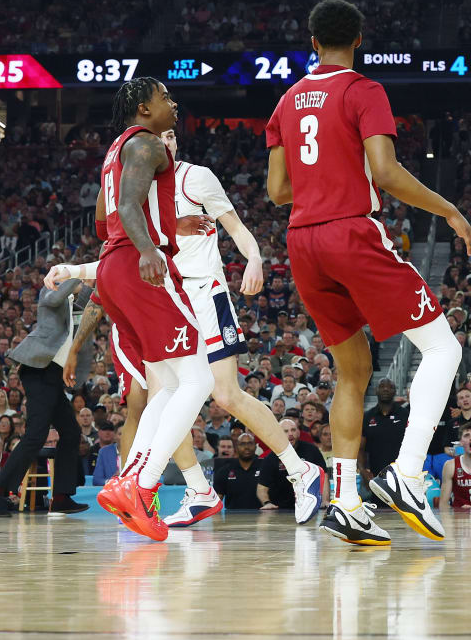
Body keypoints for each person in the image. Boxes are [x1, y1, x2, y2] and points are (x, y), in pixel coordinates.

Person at [265, 0, 471, 546]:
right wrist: (448, 209)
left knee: (352, 370)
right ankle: (407, 475)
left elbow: (277, 191)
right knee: (443, 349)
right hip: (349, 231)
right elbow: (384, 171)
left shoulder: (286, 102)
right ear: (359, 40)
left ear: (312, 42)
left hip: (302, 241)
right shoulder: (363, 90)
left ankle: (346, 502)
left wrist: (323, 176)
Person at [56, 126, 326, 528]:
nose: (161, 141)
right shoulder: (136, 193)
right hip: (163, 298)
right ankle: (199, 489)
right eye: (154, 135)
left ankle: (300, 470)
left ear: (174, 141)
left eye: (168, 134)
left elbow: (235, 227)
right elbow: (122, 255)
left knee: (226, 395)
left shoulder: (195, 176)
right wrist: (77, 269)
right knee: (166, 399)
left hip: (203, 292)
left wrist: (254, 259)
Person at [77, 79, 224, 541]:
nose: (174, 104)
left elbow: (101, 218)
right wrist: (147, 247)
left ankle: (129, 479)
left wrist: (150, 229)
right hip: (138, 265)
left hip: (112, 267)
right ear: (144, 108)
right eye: (166, 97)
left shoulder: (115, 151)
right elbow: (125, 204)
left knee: (172, 382)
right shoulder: (147, 144)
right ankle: (142, 485)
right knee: (199, 378)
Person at [0, 265, 97, 516]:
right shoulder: (51, 294)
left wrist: (87, 284)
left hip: (54, 373)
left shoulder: (76, 305)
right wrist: (73, 276)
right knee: (36, 433)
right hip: (37, 369)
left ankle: (61, 497)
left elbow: (90, 304)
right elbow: (57, 295)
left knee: (70, 431)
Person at [360, 378, 409, 478]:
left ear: (395, 391)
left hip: (402, 473)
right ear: (375, 390)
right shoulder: (367, 416)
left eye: (390, 387)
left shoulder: (405, 415)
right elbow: (361, 449)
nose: (385, 389)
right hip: (375, 474)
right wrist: (363, 471)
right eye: (381, 386)